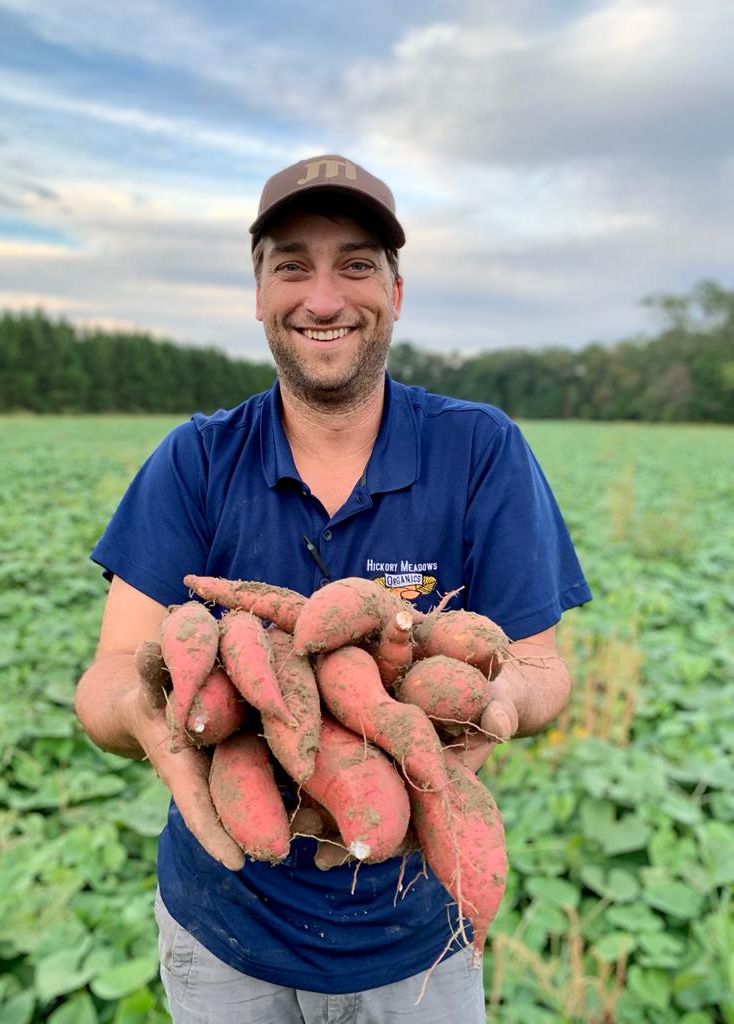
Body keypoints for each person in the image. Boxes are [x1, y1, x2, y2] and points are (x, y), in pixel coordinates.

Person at [75, 153, 592, 1023]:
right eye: (292, 266)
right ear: (258, 295)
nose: (323, 298)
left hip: (416, 929)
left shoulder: (481, 450)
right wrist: (155, 710)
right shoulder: (195, 460)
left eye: (356, 264)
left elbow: (541, 668)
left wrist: (488, 708)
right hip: (222, 933)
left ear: (396, 291)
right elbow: (104, 682)